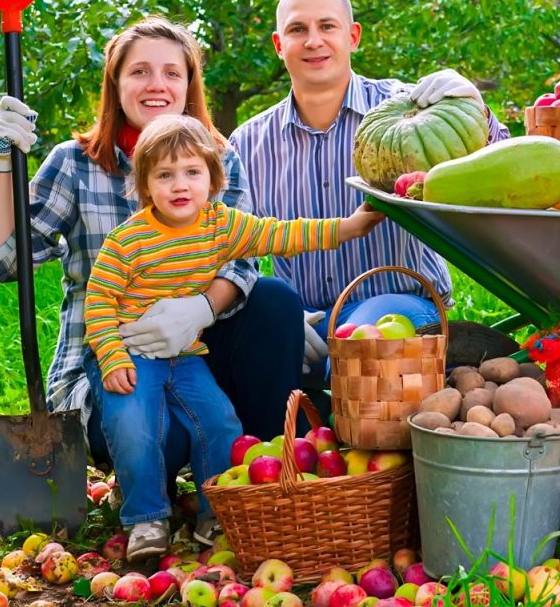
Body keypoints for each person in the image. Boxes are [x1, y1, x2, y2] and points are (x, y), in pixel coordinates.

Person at [0, 16, 305, 557]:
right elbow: (3, 263)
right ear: (115, 84)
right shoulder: (76, 164)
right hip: (113, 364)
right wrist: (2, 162)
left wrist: (199, 309)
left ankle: (260, 487)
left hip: (196, 353)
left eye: (172, 72)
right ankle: (149, 501)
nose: (157, 85)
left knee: (276, 302)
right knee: (159, 430)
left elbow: (243, 262)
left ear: (188, 85)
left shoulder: (217, 159)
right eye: (140, 72)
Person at [83, 114, 383, 557]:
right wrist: (111, 357)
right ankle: (146, 517)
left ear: (213, 179)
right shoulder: (128, 241)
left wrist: (349, 227)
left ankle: (218, 511)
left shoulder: (221, 226)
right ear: (145, 185)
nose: (180, 185)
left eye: (192, 172)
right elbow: (98, 302)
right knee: (133, 424)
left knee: (220, 422)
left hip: (185, 354)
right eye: (164, 175)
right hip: (131, 352)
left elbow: (283, 234)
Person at [228, 0, 510, 371]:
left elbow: (500, 168)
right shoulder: (248, 143)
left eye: (327, 26)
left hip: (398, 305)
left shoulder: (410, 112)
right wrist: (277, 315)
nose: (313, 41)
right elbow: (231, 246)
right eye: (298, 29)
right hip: (303, 319)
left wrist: (475, 107)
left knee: (358, 354)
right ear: (279, 44)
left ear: (353, 36)